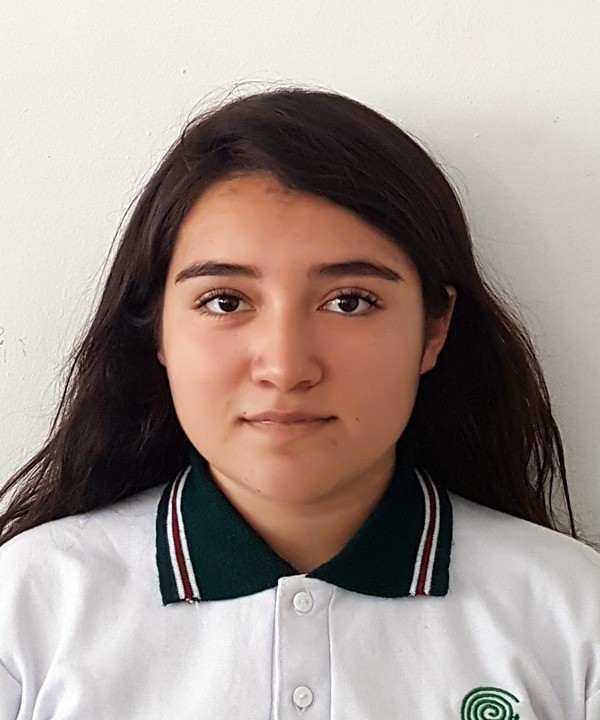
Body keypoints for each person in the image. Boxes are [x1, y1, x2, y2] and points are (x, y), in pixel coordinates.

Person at [1, 86, 599, 720]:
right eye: (225, 301)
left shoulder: (570, 613)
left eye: (349, 302)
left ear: (434, 329)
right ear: (158, 332)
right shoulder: (29, 606)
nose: (285, 368)